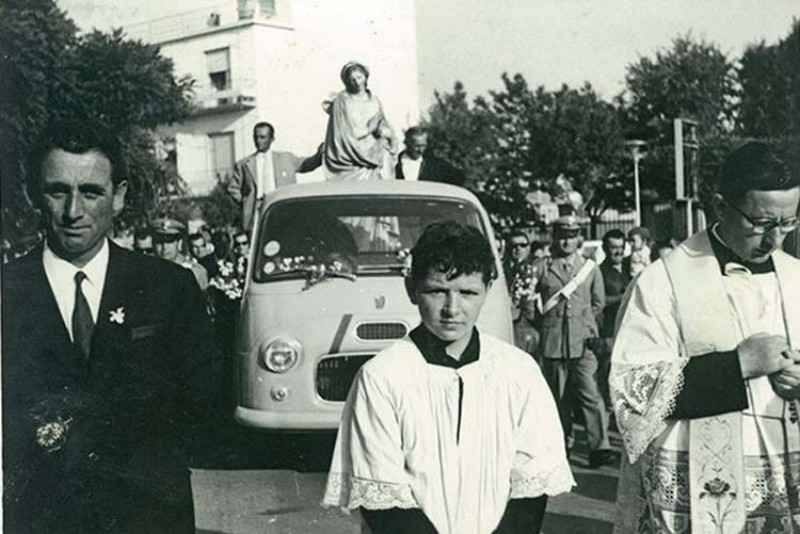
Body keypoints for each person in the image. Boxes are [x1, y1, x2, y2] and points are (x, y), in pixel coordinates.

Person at [2, 122, 221, 533]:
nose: (73, 211)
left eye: (91, 191)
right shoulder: (7, 293)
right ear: (34, 193)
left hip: (149, 517)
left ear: (118, 196)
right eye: (57, 190)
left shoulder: (167, 289)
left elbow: (204, 408)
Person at [324, 221, 574, 534]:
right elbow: (383, 495)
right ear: (412, 289)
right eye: (437, 291)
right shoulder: (382, 376)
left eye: (467, 293)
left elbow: (532, 483)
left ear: (487, 289)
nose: (452, 309)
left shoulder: (518, 372)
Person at [610, 141, 800, 532]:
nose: (774, 240)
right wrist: (737, 366)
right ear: (718, 206)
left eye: (788, 223)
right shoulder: (663, 282)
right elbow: (631, 391)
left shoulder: (796, 276)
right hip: (700, 497)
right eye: (761, 224)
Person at [531, 215, 613, 468]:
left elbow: (598, 303)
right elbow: (534, 304)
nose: (567, 241)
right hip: (554, 341)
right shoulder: (542, 267)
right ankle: (562, 445)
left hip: (583, 341)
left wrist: (584, 324)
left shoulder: (589, 268)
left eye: (572, 235)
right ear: (554, 237)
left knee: (590, 394)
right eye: (562, 236)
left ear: (579, 238)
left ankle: (599, 447)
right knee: (559, 398)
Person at [227, 121, 322, 232]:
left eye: (263, 137)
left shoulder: (286, 159)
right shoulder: (245, 164)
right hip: (257, 211)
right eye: (256, 137)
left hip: (280, 206)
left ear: (272, 139)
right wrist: (247, 202)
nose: (258, 141)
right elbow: (233, 188)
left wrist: (319, 155)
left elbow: (306, 165)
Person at [322, 61, 398, 181]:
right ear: (346, 81)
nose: (357, 83)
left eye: (359, 77)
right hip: (350, 161)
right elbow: (342, 135)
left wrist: (383, 133)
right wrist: (368, 130)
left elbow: (386, 128)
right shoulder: (342, 101)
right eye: (352, 79)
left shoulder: (375, 101)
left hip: (375, 157)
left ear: (365, 77)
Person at [597, 228, 632, 410]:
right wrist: (625, 296)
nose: (618, 251)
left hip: (632, 329)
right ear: (605, 248)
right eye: (613, 247)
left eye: (621, 247)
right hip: (612, 330)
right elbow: (599, 301)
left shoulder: (630, 266)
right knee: (610, 372)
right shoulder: (600, 272)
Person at [503, 229, 539, 354]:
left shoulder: (537, 267)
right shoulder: (501, 269)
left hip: (529, 322)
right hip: (507, 320)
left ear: (529, 248)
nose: (518, 249)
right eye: (514, 246)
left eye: (523, 245)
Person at [151, 217, 209, 291]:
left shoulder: (195, 273)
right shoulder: (149, 272)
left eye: (169, 242)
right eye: (159, 242)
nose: (164, 247)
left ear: (179, 243)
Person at [395, 127, 466, 186]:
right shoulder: (394, 163)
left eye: (423, 146)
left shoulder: (435, 165)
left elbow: (459, 178)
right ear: (407, 143)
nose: (420, 150)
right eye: (416, 146)